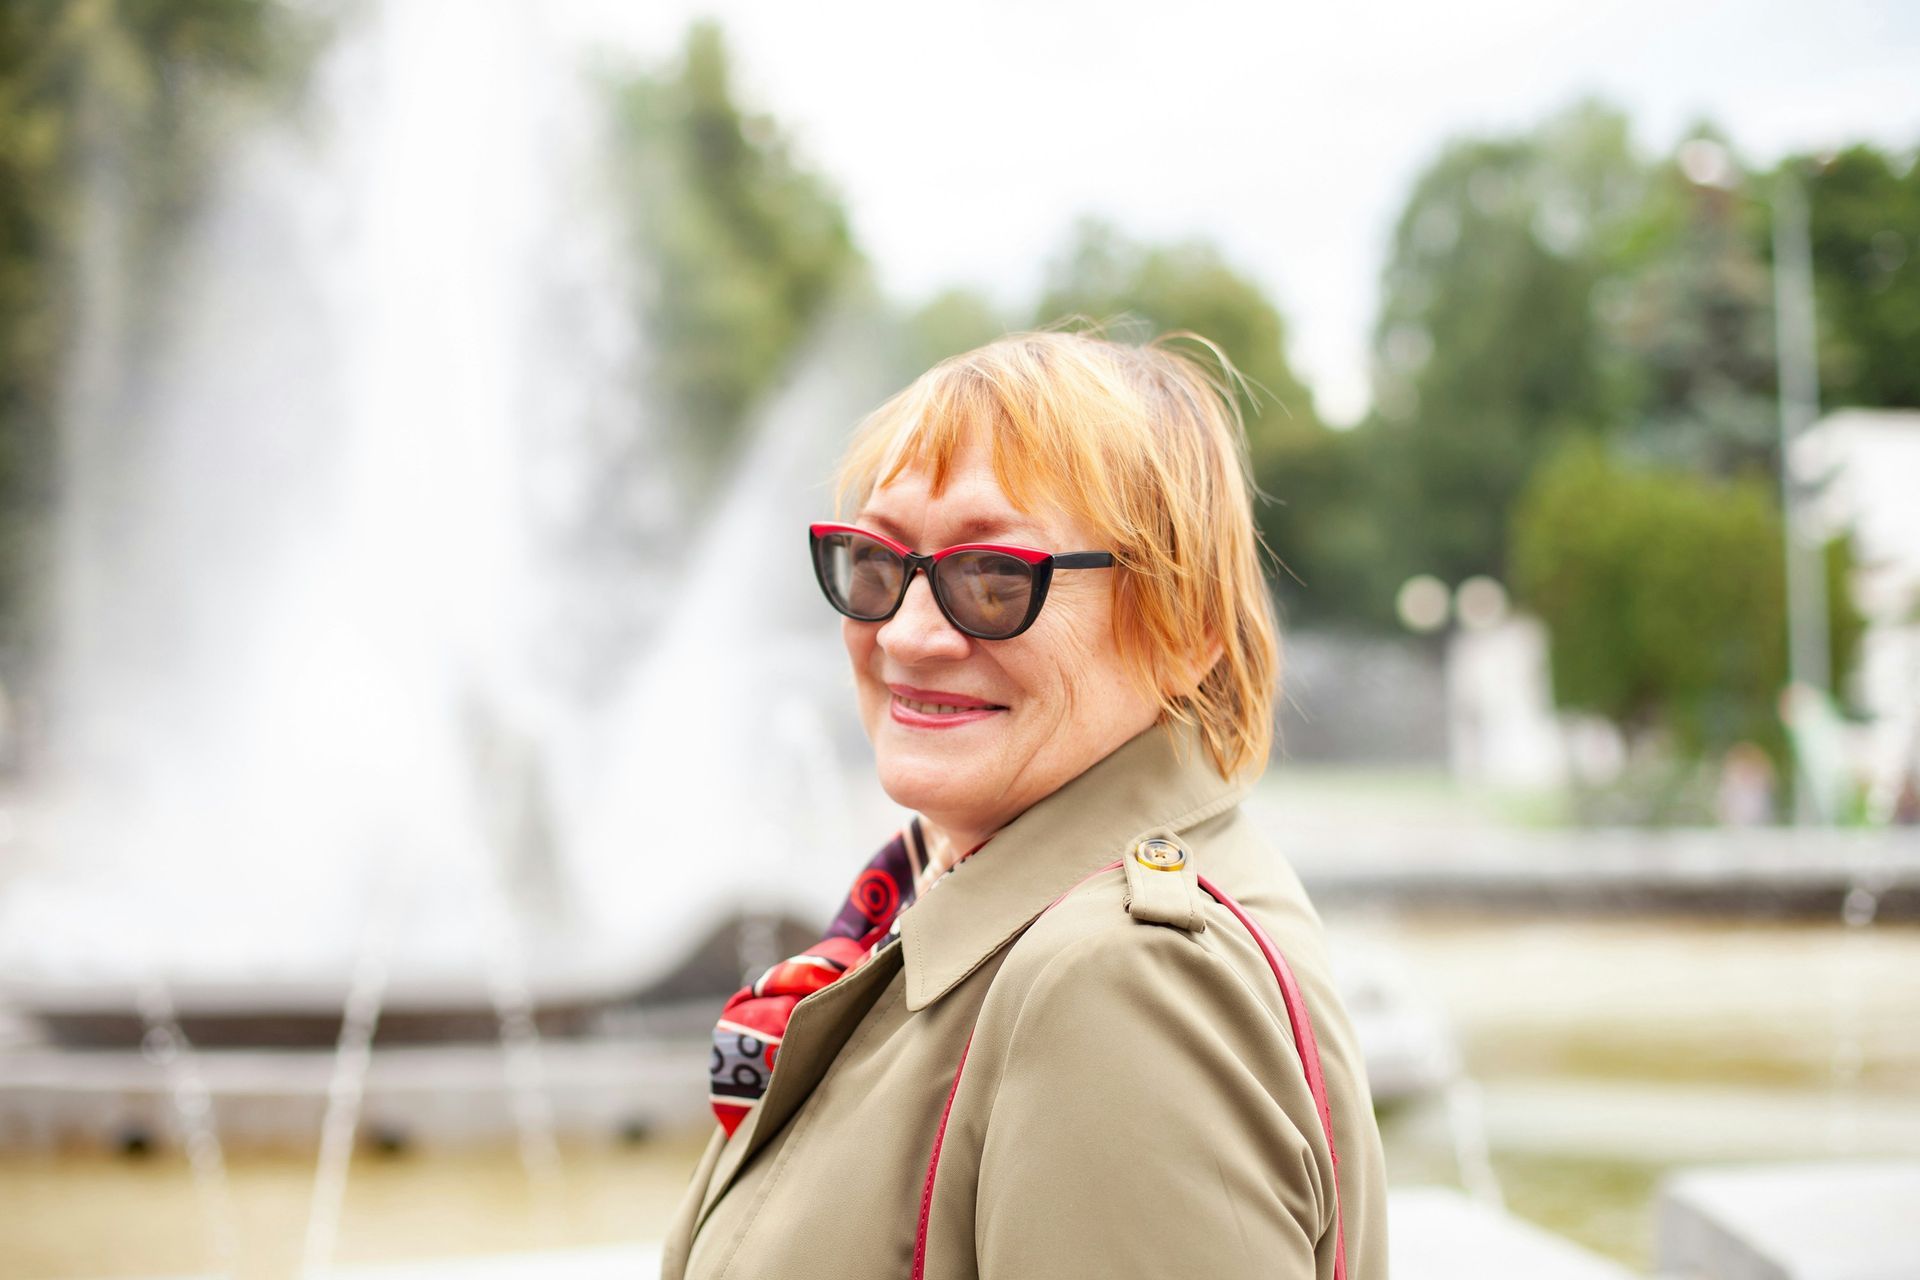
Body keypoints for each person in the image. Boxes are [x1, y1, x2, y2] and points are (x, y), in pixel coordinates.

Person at [660, 329, 1388, 1279]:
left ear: (1186, 628)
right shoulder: (958, 901)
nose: (908, 636)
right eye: (879, 566)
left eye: (994, 577)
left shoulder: (1123, 983)